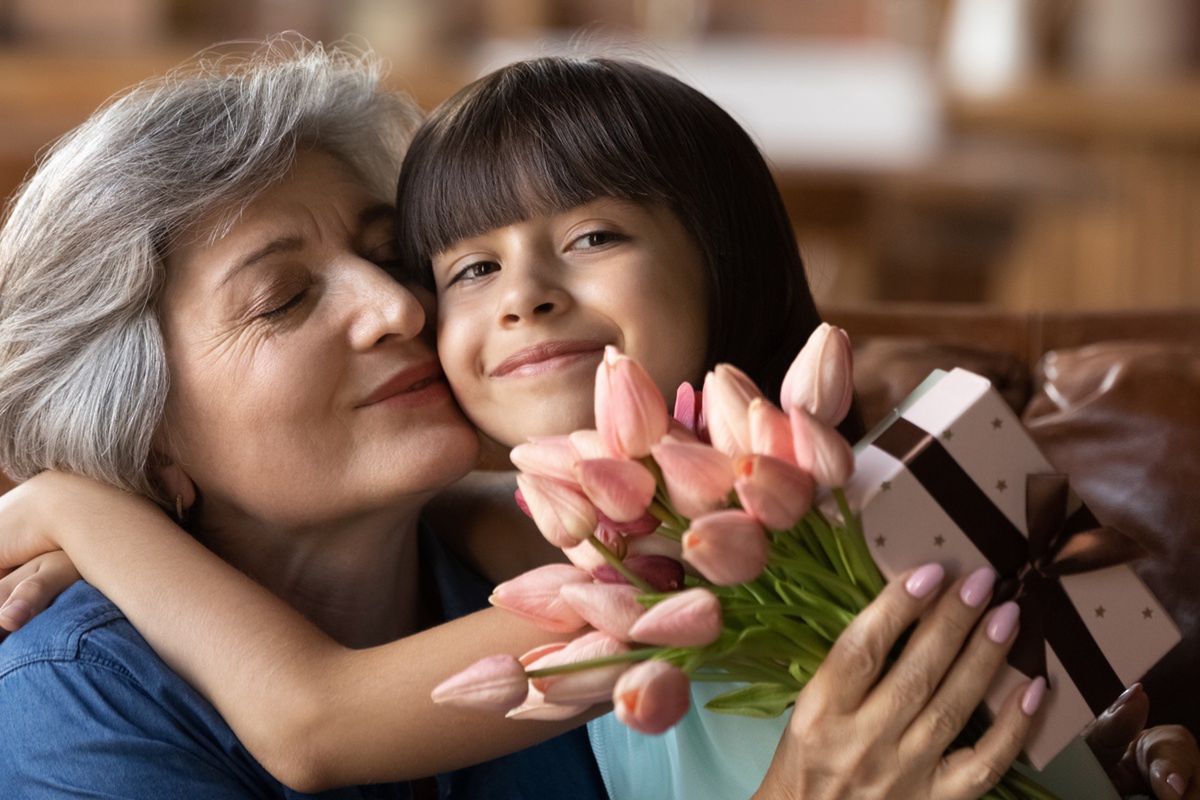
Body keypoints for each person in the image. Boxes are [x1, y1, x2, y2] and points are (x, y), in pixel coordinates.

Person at [0, 45, 1192, 799]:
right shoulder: (82, 699)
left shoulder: (681, 528)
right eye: (287, 296)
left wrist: (74, 508)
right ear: (149, 433)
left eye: (385, 255)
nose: (399, 306)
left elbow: (315, 719)